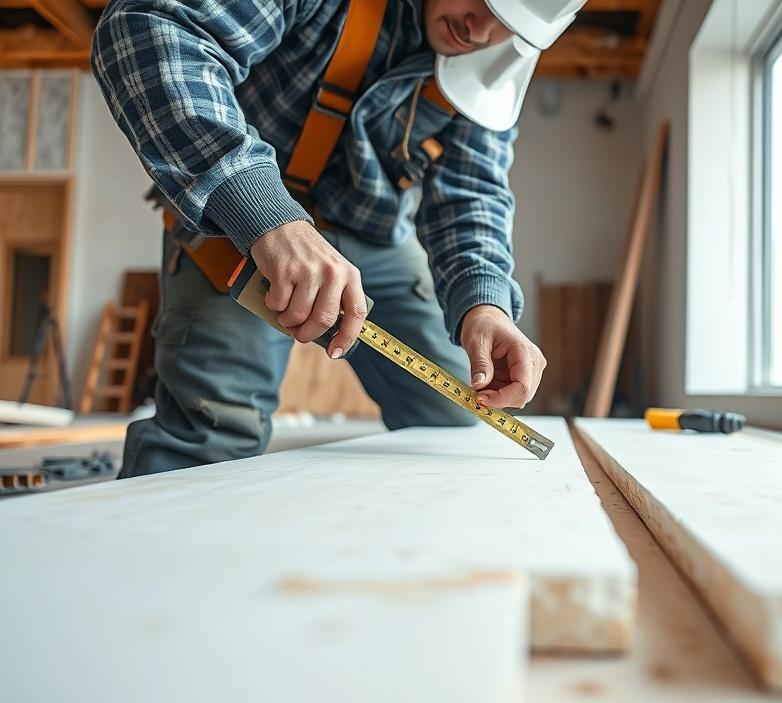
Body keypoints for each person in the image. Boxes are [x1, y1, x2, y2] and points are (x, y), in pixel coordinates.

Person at [91, 0, 585, 477]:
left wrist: (485, 304)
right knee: (214, 436)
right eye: (484, 2)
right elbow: (149, 26)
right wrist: (264, 215)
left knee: (455, 423)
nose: (480, 32)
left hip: (377, 234)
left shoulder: (493, 61)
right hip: (240, 216)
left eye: (506, 25)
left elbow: (471, 192)